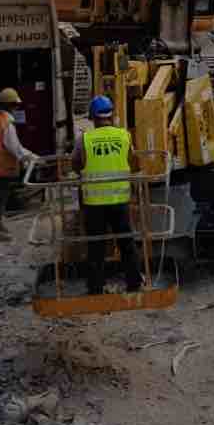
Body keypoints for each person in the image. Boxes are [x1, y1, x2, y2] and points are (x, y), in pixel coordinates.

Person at [72, 95, 142, 295]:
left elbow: (75, 164)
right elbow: (134, 162)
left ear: (93, 117)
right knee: (127, 244)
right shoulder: (124, 136)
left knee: (96, 247)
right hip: (120, 200)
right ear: (111, 115)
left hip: (94, 204)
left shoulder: (84, 139)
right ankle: (134, 284)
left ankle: (95, 288)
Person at [0, 87, 39, 241]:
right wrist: (31, 157)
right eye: (15, 105)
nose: (16, 108)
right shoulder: (7, 124)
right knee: (0, 197)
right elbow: (15, 148)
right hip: (1, 167)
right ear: (10, 105)